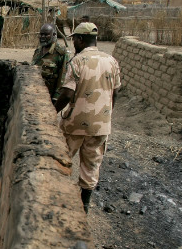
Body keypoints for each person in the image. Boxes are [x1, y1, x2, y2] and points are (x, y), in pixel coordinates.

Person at [54, 22, 121, 213]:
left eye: (74, 38)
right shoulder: (111, 61)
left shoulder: (78, 61)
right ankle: (84, 207)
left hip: (75, 123)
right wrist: (106, 114)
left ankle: (57, 199)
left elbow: (67, 94)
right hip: (100, 125)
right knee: (91, 166)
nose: (73, 41)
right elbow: (116, 92)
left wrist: (53, 111)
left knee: (61, 159)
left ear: (80, 39)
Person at [32, 23, 68, 102]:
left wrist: (56, 97)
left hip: (49, 96)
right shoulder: (38, 51)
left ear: (54, 34)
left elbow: (63, 76)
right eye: (41, 34)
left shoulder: (60, 52)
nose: (43, 37)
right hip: (35, 93)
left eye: (46, 35)